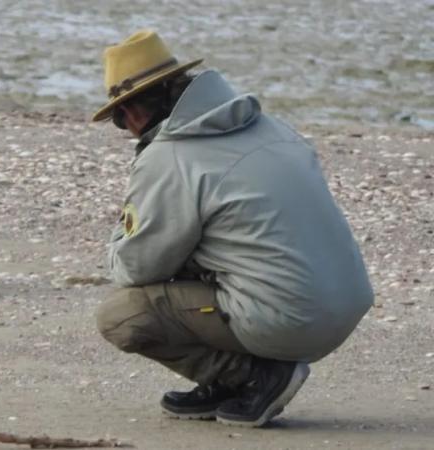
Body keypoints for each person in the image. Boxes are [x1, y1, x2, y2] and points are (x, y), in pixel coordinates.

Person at [92, 30, 374, 428]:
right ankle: (231, 383)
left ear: (134, 111)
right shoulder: (272, 126)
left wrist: (120, 237)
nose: (126, 129)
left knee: (122, 316)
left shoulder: (170, 156)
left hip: (289, 321)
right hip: (348, 303)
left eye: (119, 118)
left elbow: (137, 268)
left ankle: (249, 376)